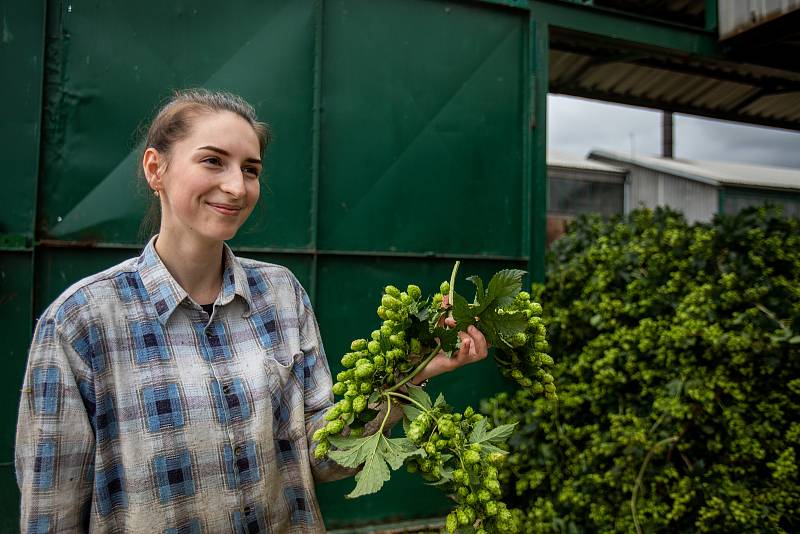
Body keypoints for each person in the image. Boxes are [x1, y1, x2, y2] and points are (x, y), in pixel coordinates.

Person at [15, 89, 489, 533]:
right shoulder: (80, 323)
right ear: (155, 169)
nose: (236, 186)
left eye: (251, 169)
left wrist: (416, 370)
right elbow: (49, 514)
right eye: (213, 161)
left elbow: (326, 456)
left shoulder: (281, 295)